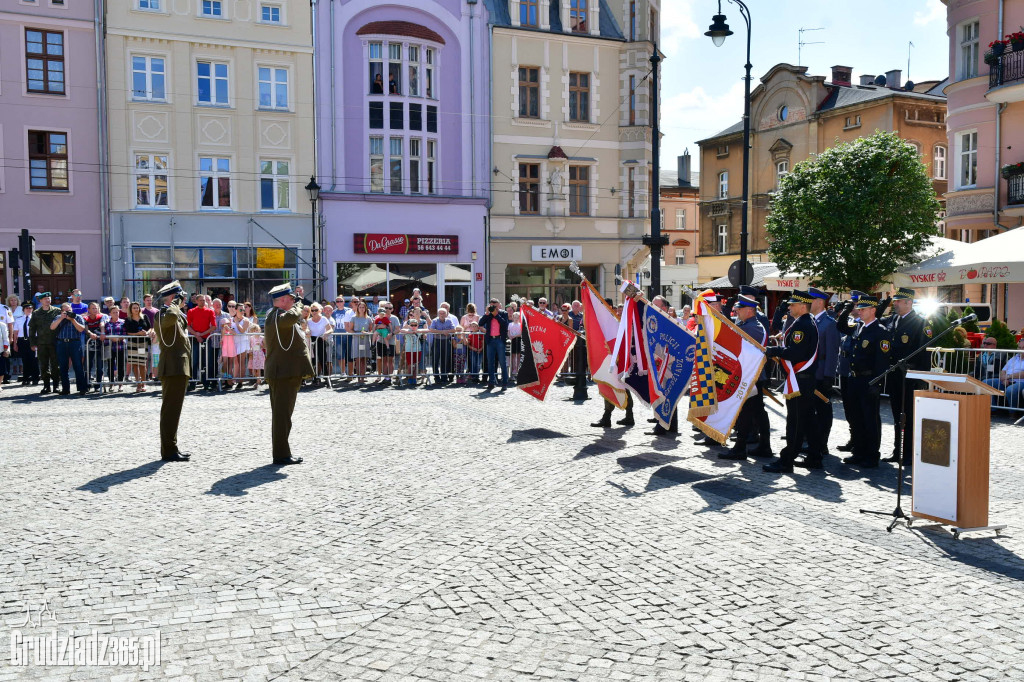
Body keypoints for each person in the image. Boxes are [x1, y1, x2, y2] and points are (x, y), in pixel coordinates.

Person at [763, 291, 822, 474]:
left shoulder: (802, 326)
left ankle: (786, 460)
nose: (789, 307)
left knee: (795, 421)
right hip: (805, 380)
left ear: (802, 306)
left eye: (793, 304)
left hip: (800, 382)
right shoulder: (806, 322)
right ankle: (814, 456)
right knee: (809, 420)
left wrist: (774, 351)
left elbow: (795, 354)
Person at [878, 287, 933, 464]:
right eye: (895, 301)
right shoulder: (893, 320)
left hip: (910, 377)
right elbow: (876, 319)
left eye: (898, 301)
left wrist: (920, 377)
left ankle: (909, 454)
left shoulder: (920, 323)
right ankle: (897, 451)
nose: (895, 304)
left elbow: (924, 353)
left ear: (908, 303)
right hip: (895, 375)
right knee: (896, 415)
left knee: (908, 415)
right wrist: (883, 303)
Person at [837, 295, 892, 469]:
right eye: (858, 309)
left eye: (863, 309)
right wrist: (846, 310)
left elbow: (882, 363)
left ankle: (871, 455)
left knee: (870, 419)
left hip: (869, 380)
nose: (859, 311)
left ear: (873, 310)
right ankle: (859, 451)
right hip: (854, 378)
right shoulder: (858, 327)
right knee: (856, 417)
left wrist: (876, 384)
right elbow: (841, 326)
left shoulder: (880, 331)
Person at [719, 295, 773, 460]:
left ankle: (741, 447)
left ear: (749, 310)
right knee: (757, 411)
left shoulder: (753, 328)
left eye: (739, 309)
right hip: (749, 375)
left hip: (752, 377)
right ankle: (764, 446)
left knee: (746, 412)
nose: (737, 312)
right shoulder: (746, 325)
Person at [264, 283, 313, 465]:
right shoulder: (279, 316)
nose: (294, 302)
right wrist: (299, 304)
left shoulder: (275, 316)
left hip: (283, 371)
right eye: (291, 299)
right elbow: (293, 316)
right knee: (282, 415)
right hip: (284, 372)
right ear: (283, 300)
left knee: (282, 415)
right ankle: (281, 454)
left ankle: (281, 452)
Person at [154, 281, 192, 462]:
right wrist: (175, 303)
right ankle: (168, 450)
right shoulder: (164, 314)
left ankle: (172, 447)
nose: (184, 299)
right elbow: (169, 319)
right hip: (172, 367)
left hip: (179, 367)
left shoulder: (176, 314)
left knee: (174, 411)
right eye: (180, 296)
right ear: (172, 298)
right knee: (170, 411)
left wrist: (177, 305)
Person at [808, 287, 840, 456]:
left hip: (822, 373)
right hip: (811, 372)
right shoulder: (812, 321)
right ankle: (813, 441)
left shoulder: (829, 324)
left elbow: (832, 351)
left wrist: (829, 375)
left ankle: (822, 443)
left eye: (810, 300)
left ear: (820, 302)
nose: (807, 304)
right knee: (811, 410)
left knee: (823, 411)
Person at [835, 291, 864, 453]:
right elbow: (839, 326)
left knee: (857, 409)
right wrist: (845, 311)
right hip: (845, 369)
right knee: (848, 408)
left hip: (855, 371)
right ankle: (853, 438)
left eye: (855, 304)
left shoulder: (863, 324)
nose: (852, 307)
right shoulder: (852, 322)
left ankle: (859, 441)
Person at [50, 302, 89, 395]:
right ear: (62, 311)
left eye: (69, 310)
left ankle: (82, 388)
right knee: (63, 367)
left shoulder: (78, 317)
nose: (68, 312)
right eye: (66, 310)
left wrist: (72, 320)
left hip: (74, 343)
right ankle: (65, 388)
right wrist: (61, 318)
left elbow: (81, 329)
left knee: (78, 366)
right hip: (62, 343)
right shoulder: (58, 317)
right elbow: (52, 327)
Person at [28, 292, 62, 394]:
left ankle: (56, 385)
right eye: (45, 299)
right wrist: (32, 343)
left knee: (55, 365)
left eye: (49, 298)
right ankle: (46, 385)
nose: (48, 300)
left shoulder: (57, 311)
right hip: (41, 343)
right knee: (43, 365)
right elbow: (32, 329)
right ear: (41, 300)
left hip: (54, 342)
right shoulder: (36, 313)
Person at [982, 335, 1024, 409]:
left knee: (1010, 390)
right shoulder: (1014, 358)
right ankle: (992, 409)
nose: (1021, 350)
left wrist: (1008, 377)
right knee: (985, 382)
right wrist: (1004, 379)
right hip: (1007, 380)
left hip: (1020, 381)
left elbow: (1023, 374)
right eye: (1019, 348)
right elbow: (1003, 370)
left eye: (1023, 348)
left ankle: (1013, 413)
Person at [187, 295, 217, 390]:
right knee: (194, 361)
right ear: (196, 301)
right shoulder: (191, 311)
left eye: (204, 300)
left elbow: (213, 326)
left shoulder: (210, 311)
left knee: (206, 361)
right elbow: (187, 326)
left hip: (206, 339)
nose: (202, 302)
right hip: (195, 339)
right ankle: (192, 382)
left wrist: (202, 334)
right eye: (200, 300)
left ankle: (206, 382)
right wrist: (196, 335)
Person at [478, 301, 509, 389]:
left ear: (498, 305)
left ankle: (504, 383)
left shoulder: (503, 313)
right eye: (492, 306)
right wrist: (487, 313)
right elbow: (480, 323)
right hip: (490, 340)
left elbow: (504, 324)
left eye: (495, 306)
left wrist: (496, 315)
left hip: (500, 340)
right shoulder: (488, 314)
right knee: (490, 362)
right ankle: (491, 382)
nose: (494, 307)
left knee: (502, 362)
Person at [124, 302, 152, 393]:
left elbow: (150, 328)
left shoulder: (145, 317)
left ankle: (144, 383)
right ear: (131, 310)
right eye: (134, 308)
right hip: (133, 344)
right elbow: (127, 332)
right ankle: (138, 384)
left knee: (142, 364)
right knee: (135, 364)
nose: (136, 309)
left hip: (142, 344)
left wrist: (147, 333)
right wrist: (137, 334)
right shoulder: (128, 319)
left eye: (137, 307)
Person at [306, 302, 333, 386]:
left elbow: (330, 329)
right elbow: (306, 329)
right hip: (312, 340)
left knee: (323, 359)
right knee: (313, 360)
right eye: (312, 310)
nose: (314, 312)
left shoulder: (324, 319)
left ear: (319, 310)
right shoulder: (309, 321)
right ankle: (315, 378)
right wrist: (307, 332)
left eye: (316, 310)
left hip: (321, 339)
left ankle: (326, 377)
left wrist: (326, 333)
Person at [83, 302, 108, 392]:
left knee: (99, 366)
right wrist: (90, 333)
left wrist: (102, 332)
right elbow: (85, 328)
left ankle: (98, 385)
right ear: (89, 310)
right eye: (93, 308)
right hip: (88, 345)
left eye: (96, 308)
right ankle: (87, 385)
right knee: (88, 365)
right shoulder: (85, 318)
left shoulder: (101, 317)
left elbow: (102, 325)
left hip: (99, 345)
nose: (95, 310)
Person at [102, 305, 127, 391]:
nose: (116, 314)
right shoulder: (107, 323)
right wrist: (110, 338)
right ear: (110, 314)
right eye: (114, 312)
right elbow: (105, 334)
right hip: (110, 347)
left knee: (121, 366)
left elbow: (124, 333)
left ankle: (120, 383)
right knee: (110, 366)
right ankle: (111, 383)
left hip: (120, 346)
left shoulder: (123, 322)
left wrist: (118, 338)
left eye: (117, 312)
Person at [429, 307, 456, 384]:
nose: (442, 315)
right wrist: (442, 332)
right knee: (435, 360)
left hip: (446, 341)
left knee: (445, 360)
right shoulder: (434, 321)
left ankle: (444, 377)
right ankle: (436, 377)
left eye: (443, 313)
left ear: (446, 314)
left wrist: (447, 331)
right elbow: (431, 330)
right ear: (438, 314)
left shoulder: (449, 320)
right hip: (437, 341)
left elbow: (453, 329)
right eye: (440, 313)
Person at [347, 300, 372, 383]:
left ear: (365, 308)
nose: (361, 309)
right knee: (357, 359)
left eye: (363, 307)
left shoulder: (368, 318)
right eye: (360, 307)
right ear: (357, 308)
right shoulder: (354, 318)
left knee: (364, 359)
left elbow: (371, 331)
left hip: (365, 340)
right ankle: (358, 378)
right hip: (356, 340)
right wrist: (356, 333)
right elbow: (350, 329)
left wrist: (366, 333)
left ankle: (363, 376)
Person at [16, 302, 39, 386]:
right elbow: (16, 332)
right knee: (25, 360)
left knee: (34, 360)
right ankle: (26, 378)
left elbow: (38, 332)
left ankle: (35, 378)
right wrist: (15, 343)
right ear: (23, 310)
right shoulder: (19, 319)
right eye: (27, 308)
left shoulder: (35, 318)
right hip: (22, 341)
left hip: (32, 340)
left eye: (30, 308)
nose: (29, 310)